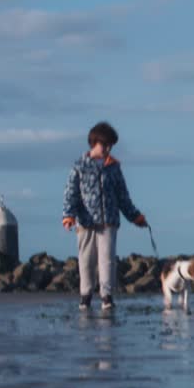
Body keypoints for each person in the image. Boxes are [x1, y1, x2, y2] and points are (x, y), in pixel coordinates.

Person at [62, 121, 147, 311]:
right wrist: (69, 215)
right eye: (105, 145)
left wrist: (135, 217)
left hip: (109, 221)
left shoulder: (114, 167)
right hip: (85, 221)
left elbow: (123, 196)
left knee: (107, 259)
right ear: (94, 143)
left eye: (110, 146)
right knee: (86, 260)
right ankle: (85, 296)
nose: (108, 149)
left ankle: (106, 296)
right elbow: (71, 193)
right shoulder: (79, 166)